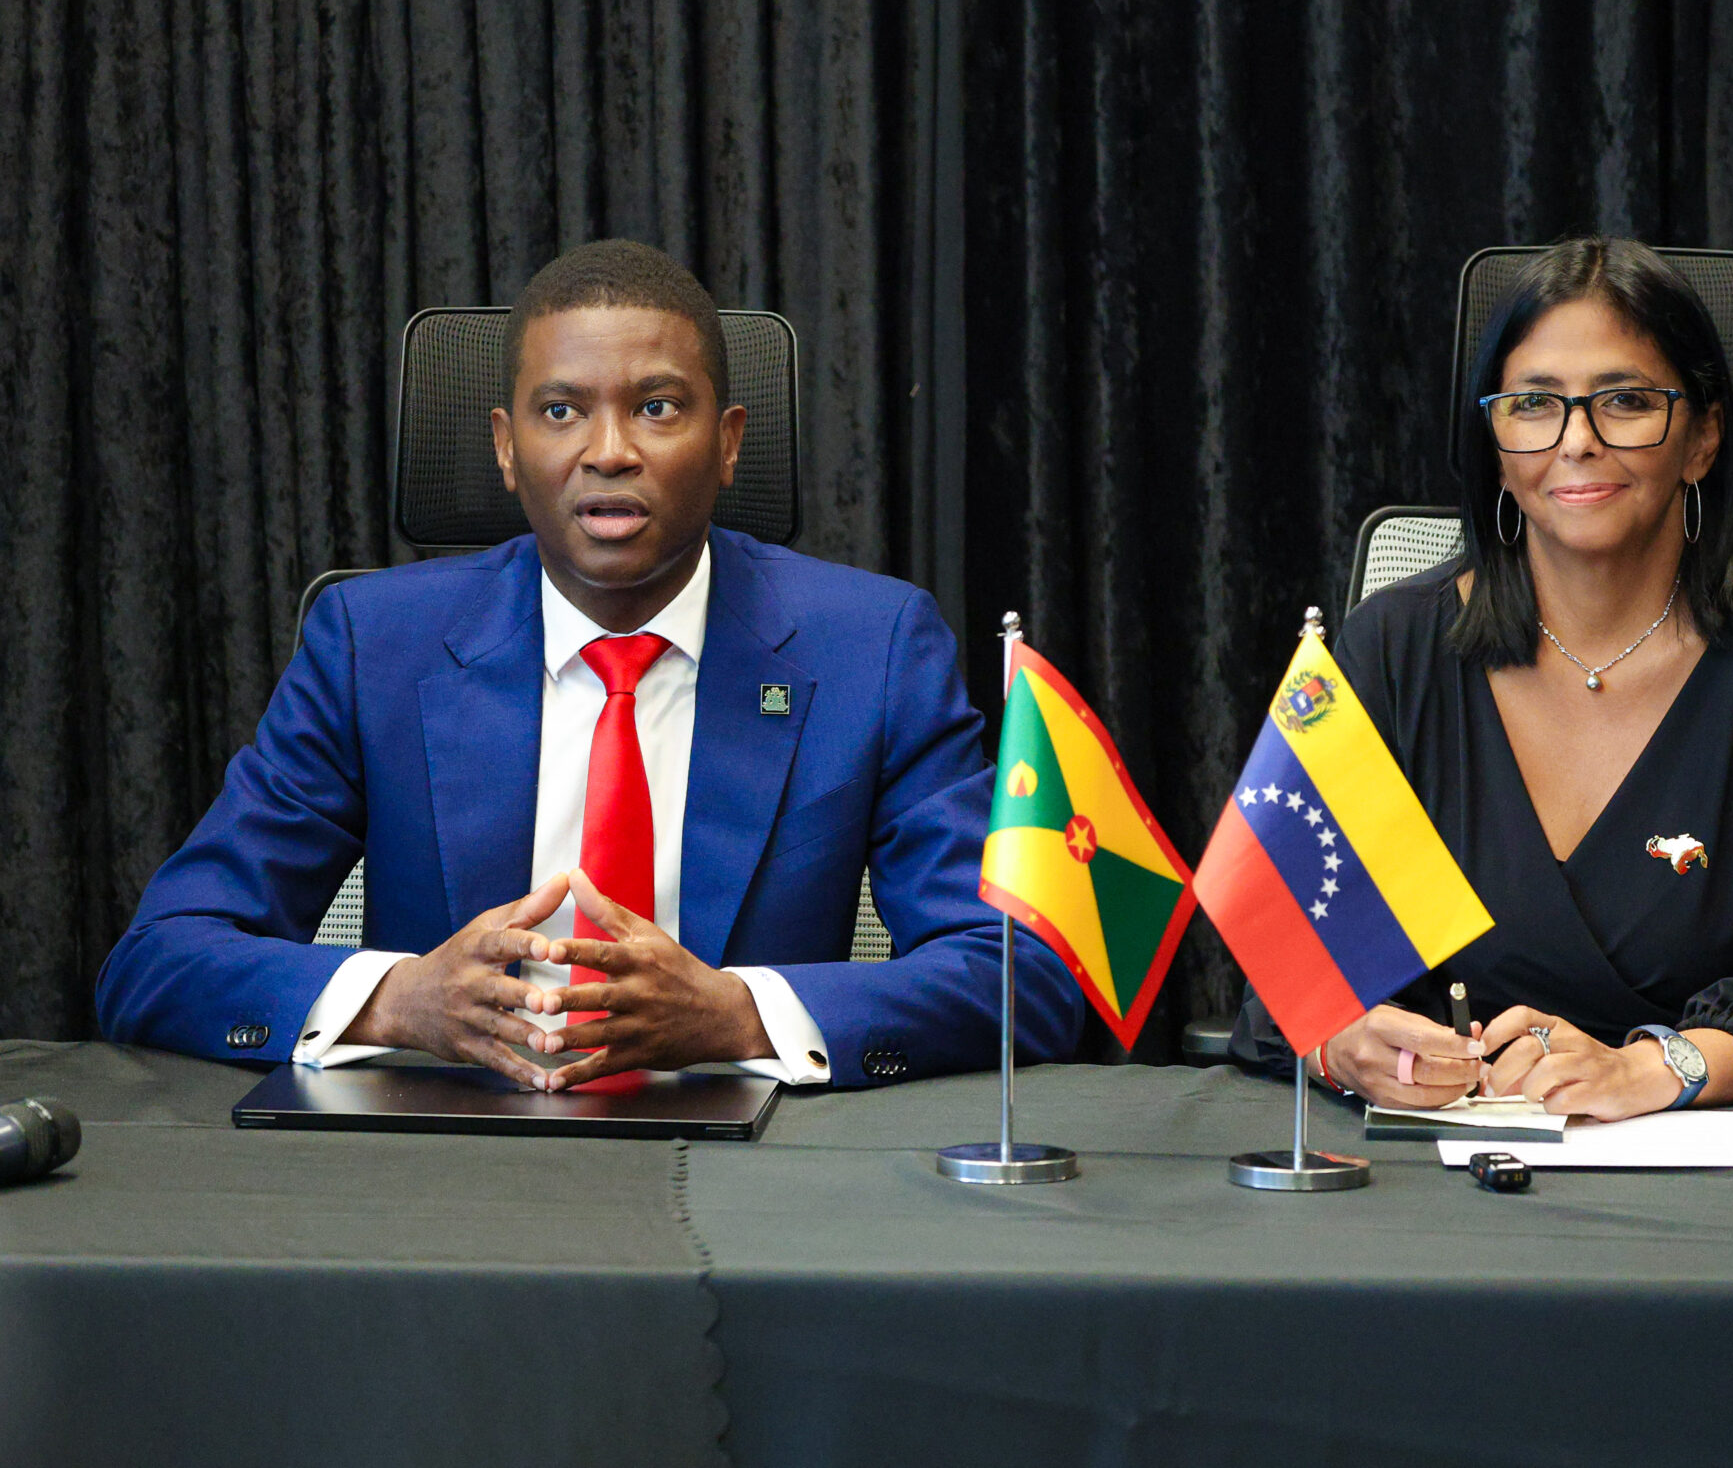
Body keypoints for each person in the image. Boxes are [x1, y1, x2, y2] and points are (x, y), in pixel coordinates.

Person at [97, 239, 1085, 1090]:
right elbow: (160, 957)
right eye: (562, 411)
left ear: (728, 443)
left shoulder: (872, 647)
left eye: (656, 407)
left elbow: (1023, 973)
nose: (609, 451)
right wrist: (402, 1000)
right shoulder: (372, 645)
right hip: (443, 1160)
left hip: (753, 1180)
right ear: (506, 448)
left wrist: (737, 1015)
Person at [1234, 237, 1733, 1120]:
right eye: (1534, 404)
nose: (1578, 441)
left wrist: (1653, 1069)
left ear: (1703, 438)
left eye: (1626, 401)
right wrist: (1343, 1044)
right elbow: (1281, 970)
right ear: (1494, 442)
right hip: (1439, 1165)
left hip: (1721, 1171)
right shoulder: (1383, 653)